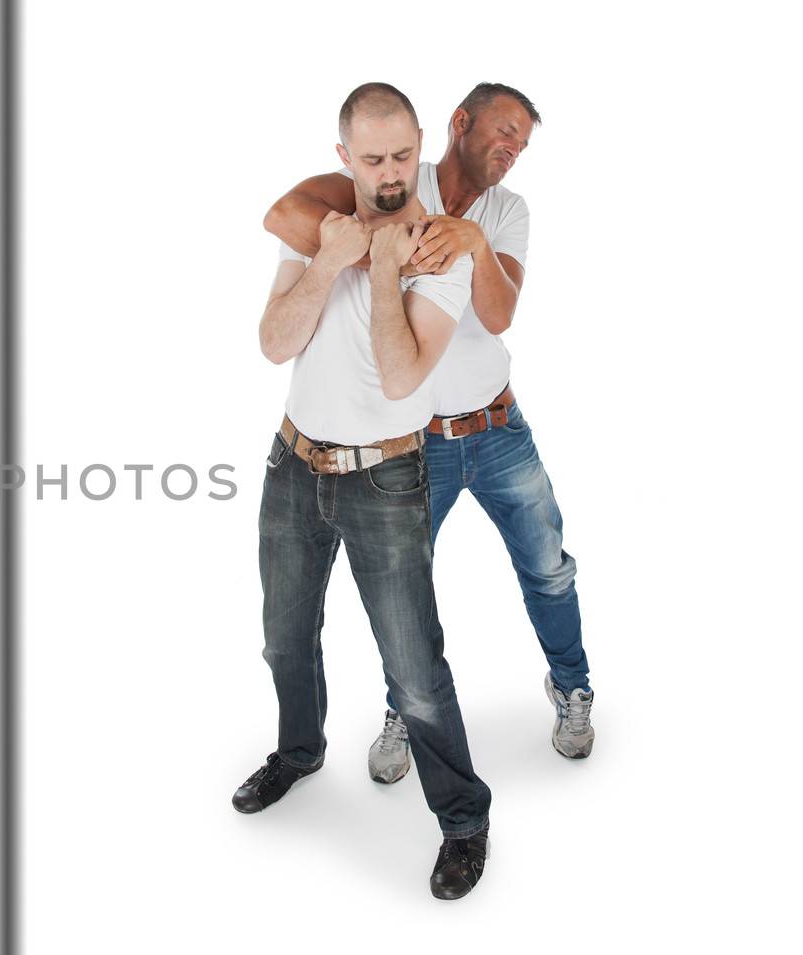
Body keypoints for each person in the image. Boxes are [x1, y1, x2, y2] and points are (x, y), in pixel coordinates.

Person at [264, 83, 594, 785]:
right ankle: (403, 716)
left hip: (496, 425)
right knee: (407, 607)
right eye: (502, 132)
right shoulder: (393, 183)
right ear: (460, 123)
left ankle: (573, 687)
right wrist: (378, 252)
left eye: (522, 143)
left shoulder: (507, 212)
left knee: (547, 567)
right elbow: (285, 213)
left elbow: (501, 315)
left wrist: (471, 245)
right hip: (418, 440)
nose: (511, 150)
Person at [236, 83, 492, 900]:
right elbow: (275, 343)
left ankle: (462, 819)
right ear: (343, 154)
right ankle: (299, 751)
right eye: (373, 158)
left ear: (422, 143)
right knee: (284, 637)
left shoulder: (444, 249)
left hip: (386, 475)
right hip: (293, 464)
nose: (391, 174)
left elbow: (401, 375)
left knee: (414, 667)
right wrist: (330, 261)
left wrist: (382, 273)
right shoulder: (322, 227)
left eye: (404, 156)